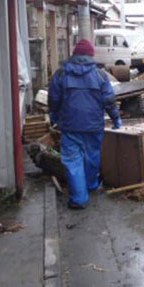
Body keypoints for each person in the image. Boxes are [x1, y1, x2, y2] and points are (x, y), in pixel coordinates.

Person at [48, 39, 122, 209]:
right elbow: (109, 100)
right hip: (94, 126)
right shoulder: (101, 75)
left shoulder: (61, 74)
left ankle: (80, 198)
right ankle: (90, 185)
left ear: (74, 54)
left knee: (73, 161)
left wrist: (54, 116)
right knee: (92, 157)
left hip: (70, 126)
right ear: (91, 55)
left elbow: (53, 99)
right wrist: (116, 118)